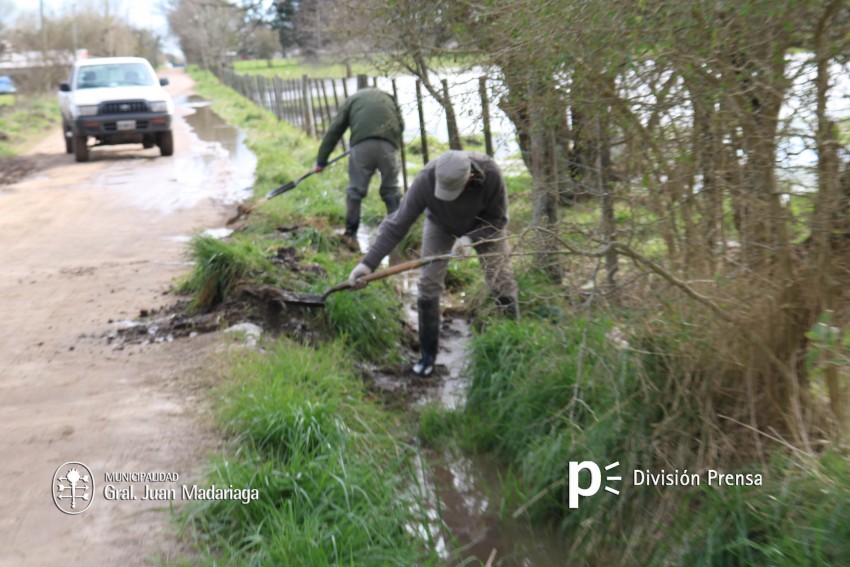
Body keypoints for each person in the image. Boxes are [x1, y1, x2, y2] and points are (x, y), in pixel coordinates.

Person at [348, 150, 519, 377]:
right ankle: (427, 356)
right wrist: (367, 264)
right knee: (428, 283)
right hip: (441, 225)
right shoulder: (426, 179)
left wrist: (470, 239)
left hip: (485, 227)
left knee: (502, 281)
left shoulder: (491, 175)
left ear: (468, 178)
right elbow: (397, 224)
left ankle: (514, 346)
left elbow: (499, 220)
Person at [315, 84, 404, 240]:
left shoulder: (353, 99)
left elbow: (335, 130)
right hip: (389, 146)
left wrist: (321, 161)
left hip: (362, 147)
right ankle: (398, 233)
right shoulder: (388, 97)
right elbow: (401, 125)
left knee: (355, 190)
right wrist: (388, 143)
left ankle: (351, 233)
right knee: (391, 190)